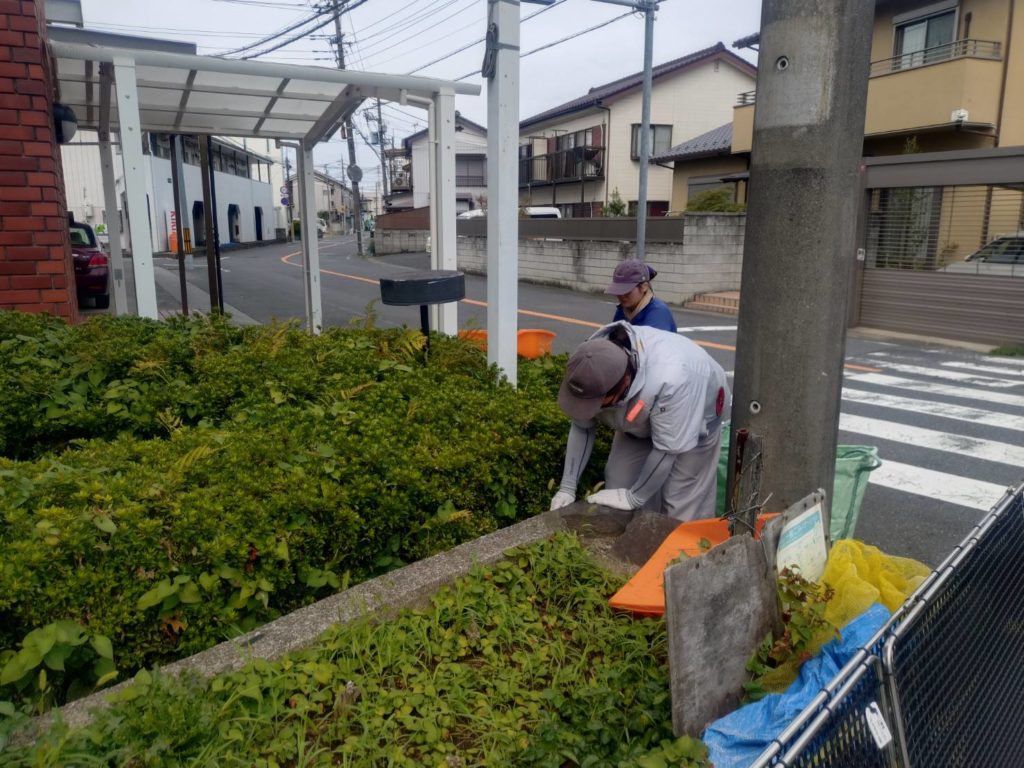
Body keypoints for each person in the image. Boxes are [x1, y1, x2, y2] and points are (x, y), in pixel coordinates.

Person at [549, 321, 729, 521]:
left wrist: (634, 498)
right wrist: (567, 487)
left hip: (695, 408)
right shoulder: (589, 362)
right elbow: (582, 427)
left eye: (596, 403)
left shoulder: (673, 377)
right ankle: (640, 533)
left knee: (679, 501)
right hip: (641, 416)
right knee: (618, 479)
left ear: (623, 384)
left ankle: (679, 540)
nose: (590, 409)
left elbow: (666, 450)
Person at [607, 260, 677, 333]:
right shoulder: (622, 309)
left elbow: (650, 339)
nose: (622, 295)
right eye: (618, 290)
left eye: (626, 290)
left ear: (644, 287)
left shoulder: (658, 312)